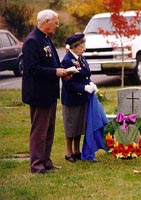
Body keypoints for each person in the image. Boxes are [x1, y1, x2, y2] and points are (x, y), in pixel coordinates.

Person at [22, 9, 69, 174]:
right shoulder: (32, 42)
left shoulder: (46, 39)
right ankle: (36, 165)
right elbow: (32, 69)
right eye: (55, 22)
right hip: (38, 94)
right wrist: (55, 72)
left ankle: (46, 161)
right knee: (39, 131)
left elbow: (53, 63)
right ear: (46, 22)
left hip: (49, 93)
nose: (57, 25)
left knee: (49, 129)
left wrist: (65, 71)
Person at [61, 33, 99, 162]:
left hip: (82, 97)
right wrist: (83, 88)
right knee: (71, 125)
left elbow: (85, 75)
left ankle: (77, 151)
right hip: (72, 98)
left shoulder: (81, 58)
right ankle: (69, 152)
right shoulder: (67, 60)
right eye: (82, 47)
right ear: (74, 47)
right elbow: (68, 83)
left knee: (79, 125)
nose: (84, 49)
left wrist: (90, 84)